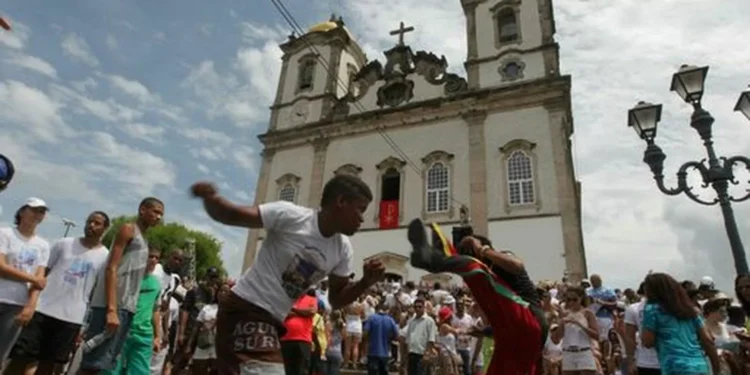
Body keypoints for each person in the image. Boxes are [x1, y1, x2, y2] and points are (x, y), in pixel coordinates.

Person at [190, 174, 386, 375]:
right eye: (360, 209)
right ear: (341, 201)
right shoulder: (292, 216)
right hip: (246, 308)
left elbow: (336, 299)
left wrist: (364, 283)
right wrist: (211, 199)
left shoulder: (342, 249)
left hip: (273, 321)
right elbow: (231, 215)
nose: (362, 218)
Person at [407, 219, 547, 374]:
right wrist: (484, 332)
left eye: (470, 249)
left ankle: (436, 259)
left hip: (529, 317)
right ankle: (438, 255)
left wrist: (483, 250)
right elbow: (502, 319)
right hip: (512, 336)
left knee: (476, 270)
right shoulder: (485, 288)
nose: (468, 255)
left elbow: (517, 265)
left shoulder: (499, 258)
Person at [5, 211, 111, 375]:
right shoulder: (64, 244)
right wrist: (31, 303)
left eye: (97, 223)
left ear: (105, 228)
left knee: (48, 365)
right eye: (90, 221)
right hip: (42, 310)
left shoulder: (105, 256)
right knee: (20, 358)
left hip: (71, 318)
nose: (91, 225)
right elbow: (41, 274)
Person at [78, 197, 164, 374]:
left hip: (126, 309)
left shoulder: (144, 240)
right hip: (111, 306)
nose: (158, 217)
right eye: (155, 211)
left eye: (161, 214)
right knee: (92, 363)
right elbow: (111, 267)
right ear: (142, 210)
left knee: (106, 363)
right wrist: (111, 309)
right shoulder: (128, 229)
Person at [0, 198, 50, 363]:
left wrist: (31, 305)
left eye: (41, 212)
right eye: (34, 210)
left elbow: (40, 281)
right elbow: (1, 267)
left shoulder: (43, 245)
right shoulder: (5, 234)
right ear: (22, 211)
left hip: (17, 304)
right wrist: (32, 278)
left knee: (2, 353)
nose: (38, 214)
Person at [640, 272, 719, 375]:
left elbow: (647, 342)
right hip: (699, 366)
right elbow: (707, 340)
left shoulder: (652, 309)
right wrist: (717, 370)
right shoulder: (691, 310)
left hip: (675, 367)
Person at [104, 245, 164, 374]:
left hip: (144, 334)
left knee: (140, 371)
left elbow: (155, 310)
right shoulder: (126, 277)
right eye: (150, 256)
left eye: (156, 258)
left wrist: (158, 336)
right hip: (122, 330)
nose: (153, 260)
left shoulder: (156, 284)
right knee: (112, 370)